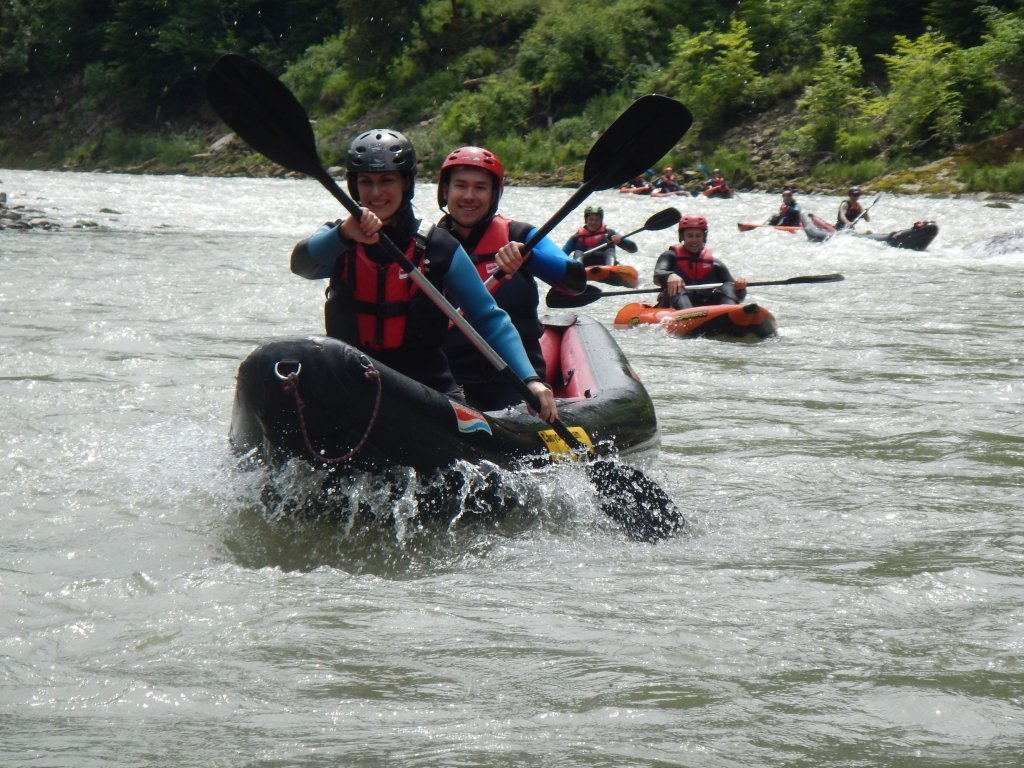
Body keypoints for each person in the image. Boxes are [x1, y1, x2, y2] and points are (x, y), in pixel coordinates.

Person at [290, 129, 557, 422]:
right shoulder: (337, 237)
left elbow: (488, 317)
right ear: (353, 186)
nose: (376, 193)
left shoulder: (437, 246)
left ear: (406, 183)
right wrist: (343, 234)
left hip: (426, 389)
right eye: (366, 182)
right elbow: (301, 264)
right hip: (352, 380)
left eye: (387, 181)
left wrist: (530, 379)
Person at [435, 144, 586, 412]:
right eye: (461, 186)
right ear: (445, 191)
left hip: (516, 375)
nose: (469, 196)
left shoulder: (520, 236)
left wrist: (530, 258)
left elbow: (575, 282)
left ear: (494, 194)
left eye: (480, 187)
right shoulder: (428, 245)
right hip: (450, 376)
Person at [653, 214, 748, 309]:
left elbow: (738, 297)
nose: (694, 240)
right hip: (675, 304)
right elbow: (657, 275)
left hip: (705, 305)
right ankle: (688, 315)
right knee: (677, 286)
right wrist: (669, 275)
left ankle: (729, 311)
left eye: (698, 236)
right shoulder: (670, 256)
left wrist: (740, 288)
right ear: (682, 236)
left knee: (728, 286)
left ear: (704, 237)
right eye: (690, 236)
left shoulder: (715, 264)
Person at [560, 206, 639, 267]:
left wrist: (620, 241)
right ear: (586, 220)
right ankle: (578, 271)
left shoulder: (610, 234)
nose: (593, 222)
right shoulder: (576, 238)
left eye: (597, 220)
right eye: (591, 219)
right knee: (578, 253)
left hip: (607, 266)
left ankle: (610, 269)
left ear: (601, 221)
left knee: (610, 251)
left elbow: (634, 249)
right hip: (583, 268)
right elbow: (561, 255)